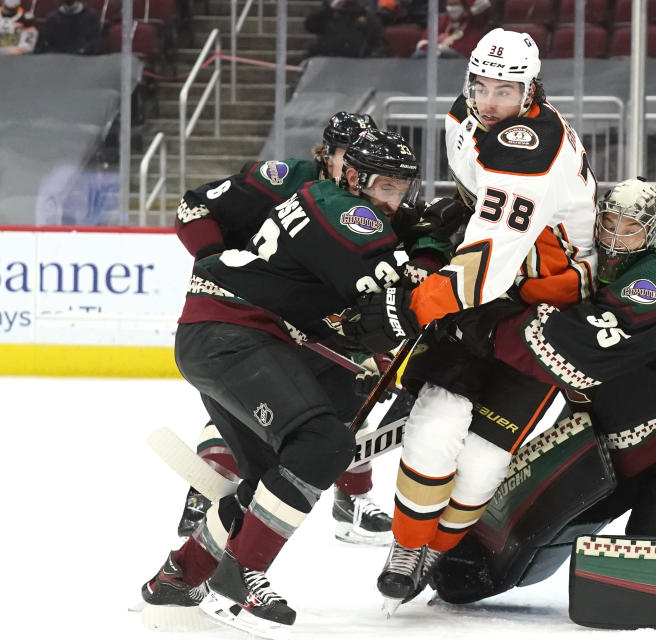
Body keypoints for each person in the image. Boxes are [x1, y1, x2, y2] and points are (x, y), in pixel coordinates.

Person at [342, 27, 599, 611]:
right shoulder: (470, 115)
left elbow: (489, 259)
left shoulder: (531, 149)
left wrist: (418, 302)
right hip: (492, 292)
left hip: (545, 305)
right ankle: (409, 548)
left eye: (505, 91)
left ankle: (435, 549)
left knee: (483, 460)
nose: (489, 101)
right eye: (481, 85)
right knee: (435, 429)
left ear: (530, 90)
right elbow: (475, 206)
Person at [140, 129, 427, 638]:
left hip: (229, 331)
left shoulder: (330, 199)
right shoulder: (346, 210)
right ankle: (239, 581)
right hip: (234, 333)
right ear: (353, 176)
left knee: (272, 480)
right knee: (322, 443)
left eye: (402, 190)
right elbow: (395, 299)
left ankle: (179, 579)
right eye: (385, 187)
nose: (393, 200)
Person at [170, 112, 403, 548]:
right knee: (262, 396)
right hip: (253, 308)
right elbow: (193, 207)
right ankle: (211, 486)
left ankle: (351, 496)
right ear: (328, 153)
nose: (354, 165)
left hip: (305, 311)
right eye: (344, 156)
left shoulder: (363, 203)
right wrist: (220, 267)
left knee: (350, 385)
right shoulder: (284, 179)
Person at [494, 177, 656, 537]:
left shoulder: (653, 281)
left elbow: (578, 352)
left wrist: (488, 325)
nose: (615, 237)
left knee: (647, 575)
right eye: (609, 222)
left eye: (631, 227)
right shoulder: (592, 266)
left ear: (654, 234)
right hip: (619, 445)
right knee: (502, 542)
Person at [302, 0, 385, 60]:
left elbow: (378, 43)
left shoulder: (366, 17)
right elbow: (310, 26)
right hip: (327, 63)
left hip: (356, 67)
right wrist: (330, 9)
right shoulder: (328, 13)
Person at [411, 0, 491, 59]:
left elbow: (466, 51)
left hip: (460, 65)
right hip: (438, 62)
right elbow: (422, 43)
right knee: (419, 55)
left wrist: (439, 44)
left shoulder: (474, 22)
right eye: (449, 5)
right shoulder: (443, 20)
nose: (451, 8)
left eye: (455, 5)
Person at [36, 0, 101, 54]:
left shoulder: (90, 17)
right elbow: (46, 45)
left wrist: (81, 52)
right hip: (57, 62)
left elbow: (94, 43)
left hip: (83, 61)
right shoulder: (52, 19)